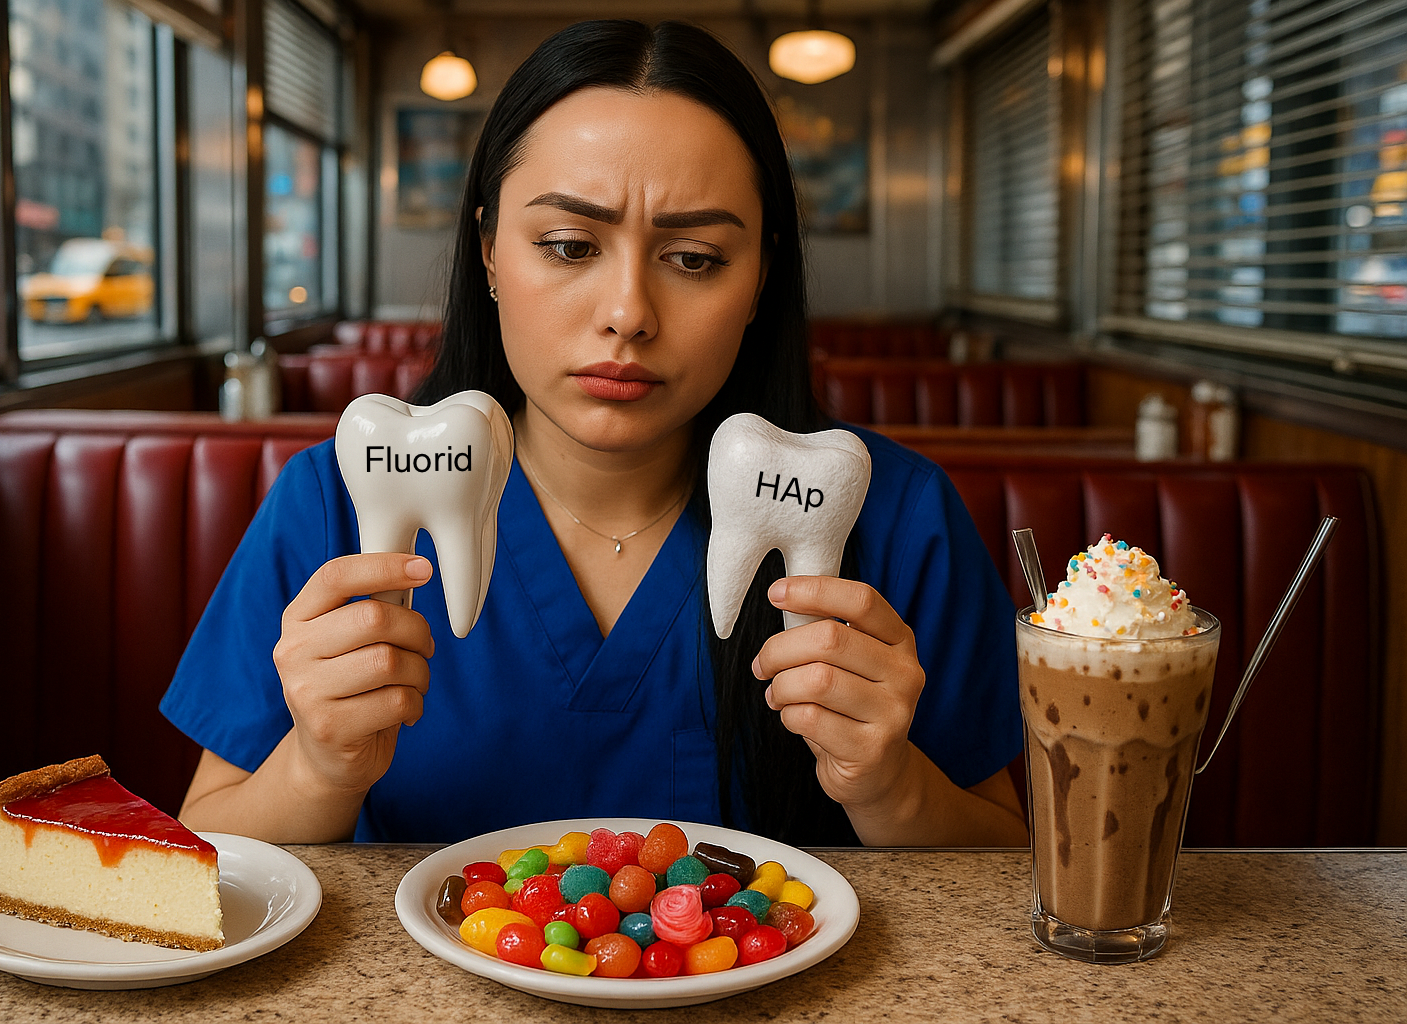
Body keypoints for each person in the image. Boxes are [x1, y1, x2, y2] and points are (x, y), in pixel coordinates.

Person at [163, 19, 1027, 848]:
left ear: (761, 279)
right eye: (572, 245)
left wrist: (888, 782)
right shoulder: (332, 503)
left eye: (694, 259)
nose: (628, 315)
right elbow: (206, 848)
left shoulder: (896, 515)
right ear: (493, 251)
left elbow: (1003, 860)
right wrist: (318, 767)